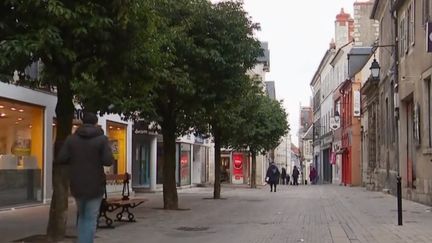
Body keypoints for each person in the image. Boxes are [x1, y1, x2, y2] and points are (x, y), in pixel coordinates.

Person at [57, 112, 114, 243]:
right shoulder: (102, 139)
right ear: (95, 123)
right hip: (95, 185)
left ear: (82, 122)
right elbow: (108, 161)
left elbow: (61, 158)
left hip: (77, 184)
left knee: (82, 216)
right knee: (90, 218)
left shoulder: (71, 139)